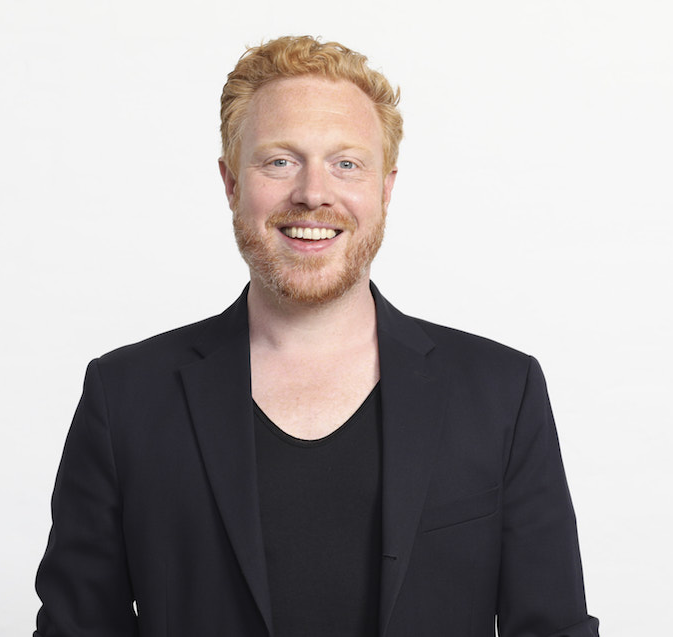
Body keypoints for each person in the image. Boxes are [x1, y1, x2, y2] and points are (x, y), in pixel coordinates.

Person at [34, 35, 600, 637]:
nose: (312, 193)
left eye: (346, 164)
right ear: (231, 183)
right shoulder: (125, 396)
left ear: (385, 190)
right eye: (280, 161)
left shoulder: (502, 392)